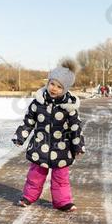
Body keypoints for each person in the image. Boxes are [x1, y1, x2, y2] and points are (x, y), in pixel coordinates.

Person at [12, 60, 86, 212]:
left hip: (62, 148)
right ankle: (28, 196)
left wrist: (78, 145)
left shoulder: (69, 108)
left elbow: (75, 128)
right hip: (40, 146)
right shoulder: (37, 103)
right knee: (35, 175)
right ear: (48, 82)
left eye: (60, 87)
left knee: (61, 178)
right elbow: (29, 121)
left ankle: (62, 202)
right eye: (53, 84)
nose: (54, 89)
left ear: (65, 89)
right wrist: (20, 136)